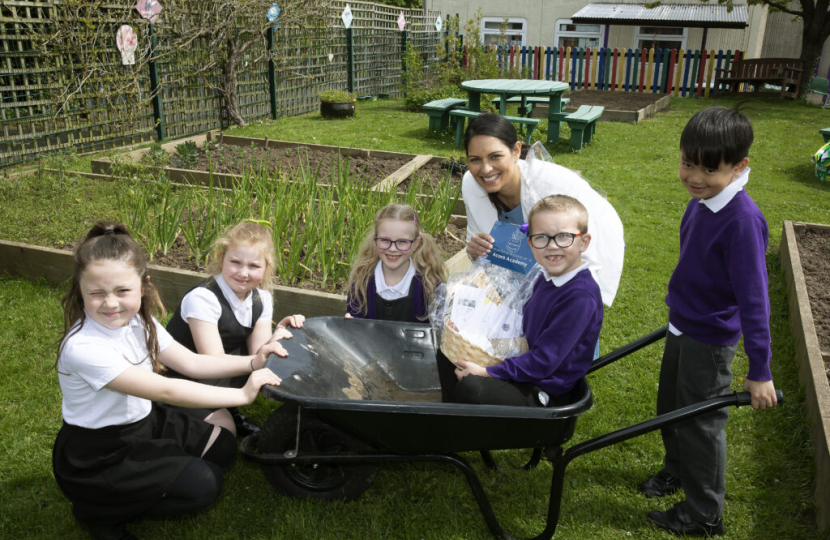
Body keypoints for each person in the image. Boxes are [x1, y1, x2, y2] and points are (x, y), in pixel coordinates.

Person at [52, 222, 287, 540]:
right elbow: (166, 388)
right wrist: (243, 395)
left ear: (143, 286)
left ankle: (160, 466)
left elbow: (191, 362)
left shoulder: (140, 321)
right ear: (80, 290)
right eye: (96, 293)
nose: (110, 303)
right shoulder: (83, 348)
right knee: (205, 485)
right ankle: (96, 510)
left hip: (144, 421)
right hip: (101, 452)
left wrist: (254, 360)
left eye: (122, 291)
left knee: (223, 447)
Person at [640, 106, 778, 537]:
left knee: (700, 423)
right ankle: (677, 470)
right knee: (672, 409)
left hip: (710, 340)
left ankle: (705, 513)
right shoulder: (702, 201)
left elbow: (755, 302)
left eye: (708, 169)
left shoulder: (742, 221)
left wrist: (760, 371)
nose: (694, 177)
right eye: (687, 163)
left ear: (740, 167)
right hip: (683, 325)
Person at [446, 195, 602, 407]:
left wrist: (487, 372)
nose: (552, 246)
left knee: (472, 387)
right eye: (541, 238)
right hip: (528, 369)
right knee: (453, 359)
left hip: (545, 387)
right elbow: (523, 329)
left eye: (564, 237)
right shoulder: (546, 278)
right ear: (530, 243)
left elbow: (544, 362)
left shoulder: (580, 297)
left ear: (583, 242)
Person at [461, 113, 624, 307]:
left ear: (516, 151)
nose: (486, 169)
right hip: (536, 259)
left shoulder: (550, 186)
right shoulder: (471, 184)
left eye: (495, 156)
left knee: (575, 319)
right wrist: (475, 250)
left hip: (590, 238)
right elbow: (479, 244)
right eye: (475, 159)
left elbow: (583, 264)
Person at [165, 220, 304, 435]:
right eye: (236, 262)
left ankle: (228, 407)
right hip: (184, 377)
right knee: (223, 430)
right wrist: (256, 360)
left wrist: (277, 337)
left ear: (266, 267)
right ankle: (178, 413)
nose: (243, 273)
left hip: (216, 372)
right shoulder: (204, 299)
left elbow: (259, 353)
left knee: (253, 363)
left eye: (254, 266)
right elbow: (211, 360)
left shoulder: (262, 299)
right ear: (222, 259)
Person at [346, 204, 447, 322]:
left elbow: (436, 328)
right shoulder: (362, 279)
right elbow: (356, 318)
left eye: (402, 242)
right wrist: (352, 323)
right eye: (385, 240)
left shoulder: (428, 282)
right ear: (375, 239)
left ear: (415, 243)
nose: (393, 249)